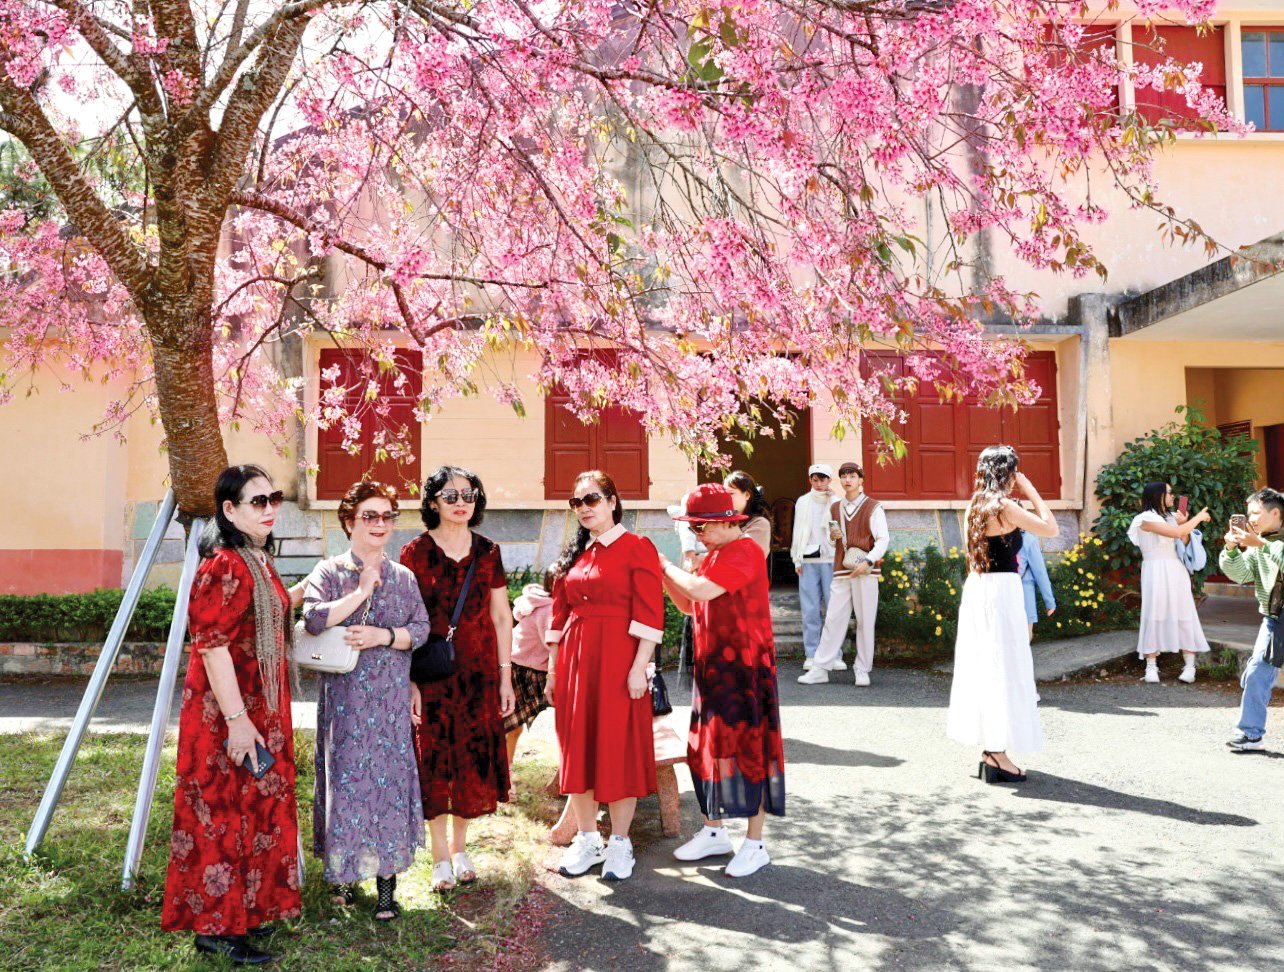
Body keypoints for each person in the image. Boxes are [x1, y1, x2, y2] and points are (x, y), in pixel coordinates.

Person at [162, 465, 301, 965]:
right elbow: (213, 647)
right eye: (257, 501)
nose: (270, 509)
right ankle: (216, 930)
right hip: (227, 713)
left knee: (252, 811)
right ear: (229, 510)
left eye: (274, 498)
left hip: (255, 706)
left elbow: (264, 617)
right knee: (222, 815)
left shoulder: (255, 558)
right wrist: (240, 721)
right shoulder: (225, 564)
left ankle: (245, 914)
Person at [301, 480, 430, 921]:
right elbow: (314, 620)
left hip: (390, 703)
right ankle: (340, 879)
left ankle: (387, 887)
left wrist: (385, 636)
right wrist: (360, 591)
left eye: (387, 516)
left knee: (388, 786)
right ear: (349, 522)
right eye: (369, 516)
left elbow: (423, 629)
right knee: (346, 783)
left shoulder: (405, 577)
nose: (380, 524)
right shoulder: (330, 571)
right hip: (345, 703)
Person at [659, 484, 785, 878]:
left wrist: (664, 565)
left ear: (724, 522)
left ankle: (755, 843)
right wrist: (662, 574)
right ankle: (714, 831)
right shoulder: (714, 555)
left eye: (701, 526)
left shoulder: (745, 549)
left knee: (750, 754)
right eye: (693, 527)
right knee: (707, 750)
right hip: (713, 668)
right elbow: (687, 602)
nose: (697, 534)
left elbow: (699, 589)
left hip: (745, 671)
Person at [545, 470, 665, 882]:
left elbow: (650, 613)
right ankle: (588, 839)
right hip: (576, 661)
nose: (584, 508)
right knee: (577, 749)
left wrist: (638, 668)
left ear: (613, 501)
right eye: (576, 502)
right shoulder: (575, 554)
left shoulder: (637, 547)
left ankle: (620, 844)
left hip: (619, 659)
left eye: (592, 499)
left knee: (618, 749)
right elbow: (559, 616)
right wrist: (552, 671)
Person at [401, 465, 516, 892]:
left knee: (469, 757)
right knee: (434, 757)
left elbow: (502, 616)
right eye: (450, 496)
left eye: (468, 494)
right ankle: (440, 857)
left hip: (480, 672)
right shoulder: (414, 553)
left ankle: (462, 848)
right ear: (432, 503)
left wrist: (505, 677)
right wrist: (409, 682)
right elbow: (406, 621)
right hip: (432, 673)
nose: (461, 502)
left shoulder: (488, 551)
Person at [946, 446, 1057, 784]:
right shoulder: (1005, 506)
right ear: (1008, 473)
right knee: (1006, 667)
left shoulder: (974, 506)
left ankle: (993, 747)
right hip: (1003, 592)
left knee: (985, 667)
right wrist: (1031, 489)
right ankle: (997, 752)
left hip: (978, 589)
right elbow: (1050, 528)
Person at [798, 462, 888, 687]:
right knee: (833, 618)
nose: (848, 480)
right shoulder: (835, 507)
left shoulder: (874, 506)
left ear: (861, 479)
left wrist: (869, 560)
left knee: (865, 620)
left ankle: (862, 668)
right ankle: (821, 667)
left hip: (866, 570)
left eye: (853, 476)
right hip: (841, 567)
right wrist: (833, 535)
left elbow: (883, 539)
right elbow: (831, 539)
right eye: (844, 476)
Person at [1127, 482, 1212, 684]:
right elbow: (1173, 533)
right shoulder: (1144, 519)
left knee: (1184, 614)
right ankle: (1151, 667)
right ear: (1158, 495)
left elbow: (1181, 541)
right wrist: (1197, 518)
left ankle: (1190, 666)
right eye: (1169, 493)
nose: (1173, 497)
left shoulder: (1172, 518)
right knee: (1153, 615)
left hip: (1176, 569)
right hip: (1154, 569)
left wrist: (1185, 524)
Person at [1220, 488, 1284, 752]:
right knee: (1257, 671)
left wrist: (1262, 545)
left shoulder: (1264, 543)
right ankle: (1250, 734)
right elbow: (1241, 574)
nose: (1251, 519)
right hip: (1274, 619)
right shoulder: (1260, 543)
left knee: (1257, 672)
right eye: (1248, 514)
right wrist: (1231, 549)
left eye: (1256, 513)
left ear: (1276, 513)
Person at [504, 570, 555, 786]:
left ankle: (505, 772)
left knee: (513, 727)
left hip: (525, 667)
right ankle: (504, 776)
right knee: (510, 726)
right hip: (524, 671)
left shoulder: (539, 602)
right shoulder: (550, 609)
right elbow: (553, 645)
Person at [790, 463, 838, 668]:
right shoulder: (803, 501)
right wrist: (797, 558)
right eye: (815, 480)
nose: (819, 484)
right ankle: (811, 654)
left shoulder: (836, 501)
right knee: (810, 609)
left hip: (831, 558)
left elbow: (840, 531)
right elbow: (798, 530)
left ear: (829, 480)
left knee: (834, 609)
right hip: (809, 557)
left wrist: (833, 501)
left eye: (823, 479)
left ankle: (834, 655)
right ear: (810, 480)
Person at [723, 470, 772, 557]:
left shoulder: (760, 523)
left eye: (731, 493)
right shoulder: (724, 521)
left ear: (747, 495)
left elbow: (745, 555)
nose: (726, 498)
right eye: (724, 494)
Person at [1019, 532, 1057, 641]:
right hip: (1024, 594)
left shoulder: (994, 536)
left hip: (999, 594)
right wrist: (1050, 602)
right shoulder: (1028, 539)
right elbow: (1040, 573)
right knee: (1024, 638)